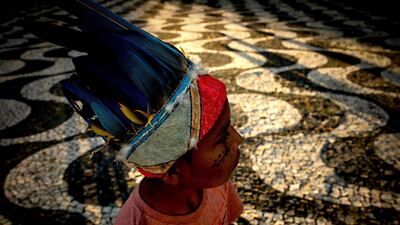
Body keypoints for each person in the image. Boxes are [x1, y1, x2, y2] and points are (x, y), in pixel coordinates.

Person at [29, 0, 244, 224]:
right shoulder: (138, 220)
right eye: (221, 138)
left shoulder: (213, 182)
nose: (239, 139)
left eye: (228, 130)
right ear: (173, 174)